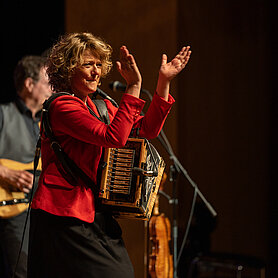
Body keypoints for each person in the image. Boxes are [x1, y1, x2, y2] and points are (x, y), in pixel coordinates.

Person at [27, 32, 191, 278]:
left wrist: (163, 82)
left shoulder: (98, 105)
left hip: (93, 213)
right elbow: (113, 138)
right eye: (87, 64)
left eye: (98, 65)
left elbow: (146, 130)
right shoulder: (62, 106)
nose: (96, 72)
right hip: (64, 216)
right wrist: (133, 87)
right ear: (69, 69)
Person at [0, 55, 52, 278]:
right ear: (29, 84)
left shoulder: (50, 121)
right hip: (16, 208)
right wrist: (5, 172)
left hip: (47, 211)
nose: (53, 88)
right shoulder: (4, 115)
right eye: (48, 82)